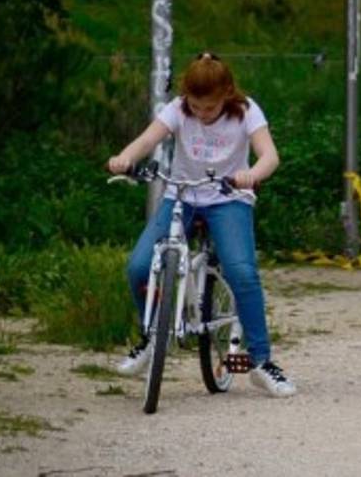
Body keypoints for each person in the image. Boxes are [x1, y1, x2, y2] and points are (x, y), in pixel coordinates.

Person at [106, 52, 296, 397]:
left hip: (228, 198)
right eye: (196, 107)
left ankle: (261, 361)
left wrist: (251, 174)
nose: (201, 114)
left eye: (209, 108)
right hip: (181, 196)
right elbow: (148, 139)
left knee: (241, 272)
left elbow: (270, 155)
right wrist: (126, 158)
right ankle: (151, 337)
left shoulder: (247, 111)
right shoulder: (178, 109)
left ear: (227, 94)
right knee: (138, 267)